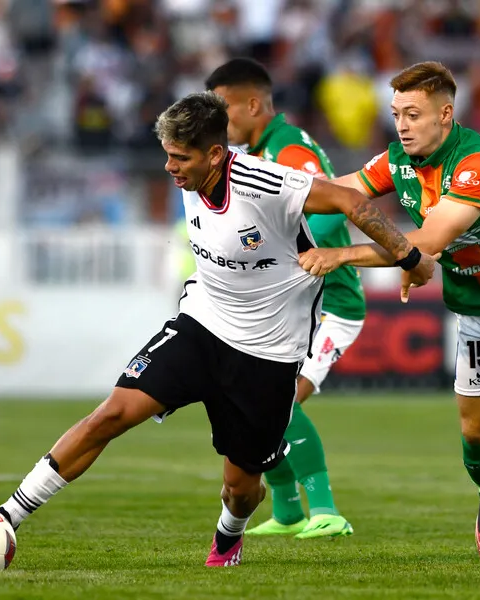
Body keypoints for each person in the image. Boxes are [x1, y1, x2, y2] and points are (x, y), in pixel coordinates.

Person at [0, 91, 437, 567]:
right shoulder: (188, 176)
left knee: (240, 489)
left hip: (267, 354)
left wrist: (408, 257)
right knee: (112, 413)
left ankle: (229, 535)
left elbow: (350, 199)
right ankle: (6, 516)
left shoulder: (267, 182)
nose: (169, 168)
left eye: (180, 158)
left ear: (216, 155)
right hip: (201, 326)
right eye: (166, 155)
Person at [299, 61, 480, 562]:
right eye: (395, 114)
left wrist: (341, 254)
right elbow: (341, 191)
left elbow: (429, 241)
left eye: (412, 114)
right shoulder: (397, 161)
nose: (402, 125)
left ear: (445, 114)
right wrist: (271, 194)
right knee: (477, 435)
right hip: (478, 311)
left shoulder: (479, 162)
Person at [206, 57, 362, 539]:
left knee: (282, 401)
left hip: (328, 303)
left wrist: (298, 259)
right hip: (288, 307)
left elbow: (334, 208)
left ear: (253, 104)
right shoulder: (255, 153)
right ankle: (290, 510)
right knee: (252, 403)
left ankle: (327, 511)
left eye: (223, 110)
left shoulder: (289, 150)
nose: (217, 123)